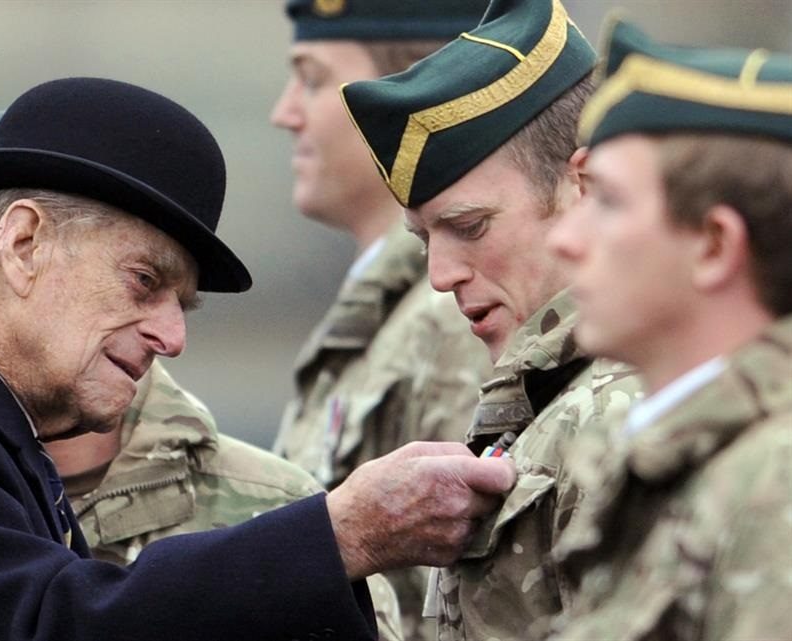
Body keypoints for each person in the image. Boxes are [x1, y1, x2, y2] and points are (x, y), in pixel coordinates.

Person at [0, 77, 517, 640]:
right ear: (25, 243)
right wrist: (341, 534)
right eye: (143, 280)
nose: (172, 337)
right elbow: (48, 623)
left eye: (182, 305)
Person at [340, 1, 643, 639]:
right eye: (424, 239)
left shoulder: (625, 414)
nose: (440, 274)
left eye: (470, 226)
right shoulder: (548, 398)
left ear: (584, 186)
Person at [543, 20, 792, 640]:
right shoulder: (683, 458)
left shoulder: (774, 483)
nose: (565, 239)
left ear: (714, 245)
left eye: (608, 202)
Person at [270, 3, 492, 636]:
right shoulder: (384, 311)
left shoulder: (453, 313)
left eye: (312, 79)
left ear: (411, 94)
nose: (285, 112)